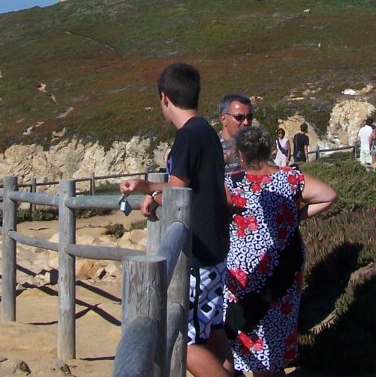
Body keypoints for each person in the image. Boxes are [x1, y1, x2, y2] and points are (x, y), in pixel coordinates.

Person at [121, 64, 234, 377]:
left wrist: (155, 199)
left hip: (198, 254)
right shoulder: (207, 132)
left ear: (165, 98)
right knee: (212, 331)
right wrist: (147, 188)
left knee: (180, 342)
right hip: (215, 248)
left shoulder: (186, 136)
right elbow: (185, 184)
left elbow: (179, 188)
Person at [224, 124, 337, 376]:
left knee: (243, 336)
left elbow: (206, 212)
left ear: (240, 154)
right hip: (285, 268)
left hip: (244, 274)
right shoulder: (291, 177)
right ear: (271, 149)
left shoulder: (231, 184)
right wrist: (295, 217)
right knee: (275, 337)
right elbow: (329, 195)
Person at [218, 94, 254, 174]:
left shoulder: (256, 144)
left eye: (249, 117)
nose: (246, 122)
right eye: (239, 117)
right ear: (223, 119)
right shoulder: (212, 147)